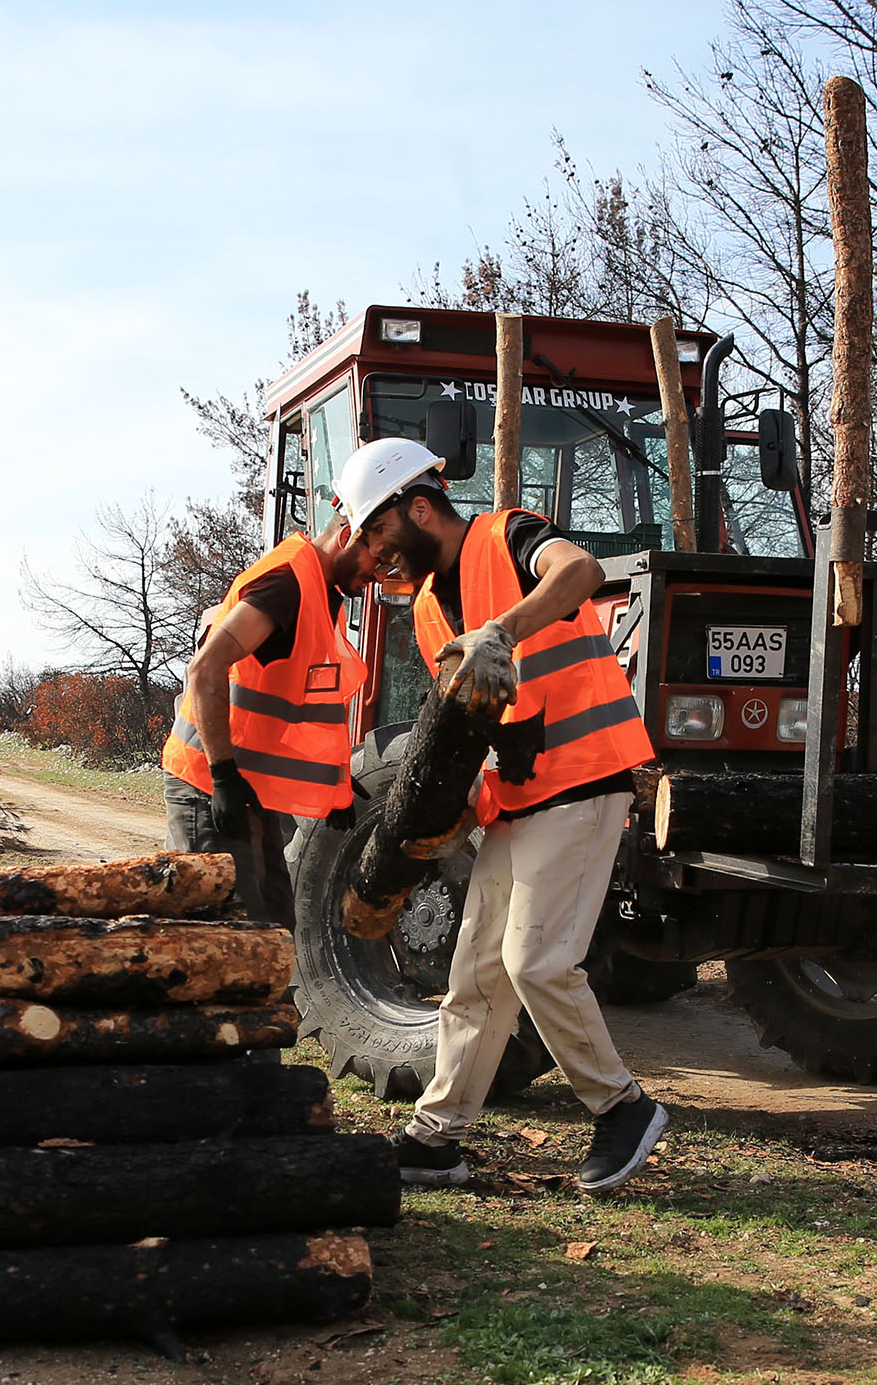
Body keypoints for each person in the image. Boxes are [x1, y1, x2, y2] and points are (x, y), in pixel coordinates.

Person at [330, 437, 669, 1193]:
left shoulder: (506, 535)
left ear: (419, 507)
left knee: (535, 963)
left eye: (381, 534)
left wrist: (502, 630)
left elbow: (578, 572)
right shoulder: (423, 608)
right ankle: (436, 1135)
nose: (378, 555)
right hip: (517, 799)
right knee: (476, 974)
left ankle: (622, 1108)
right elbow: (469, 723)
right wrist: (456, 812)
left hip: (584, 778)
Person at [159, 523, 367, 926]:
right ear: (348, 537)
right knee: (222, 937)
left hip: (247, 789)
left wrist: (336, 779)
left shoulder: (320, 596)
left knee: (272, 933)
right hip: (209, 785)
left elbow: (302, 707)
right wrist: (222, 776)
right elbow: (204, 670)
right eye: (379, 555)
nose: (382, 572)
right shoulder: (287, 583)